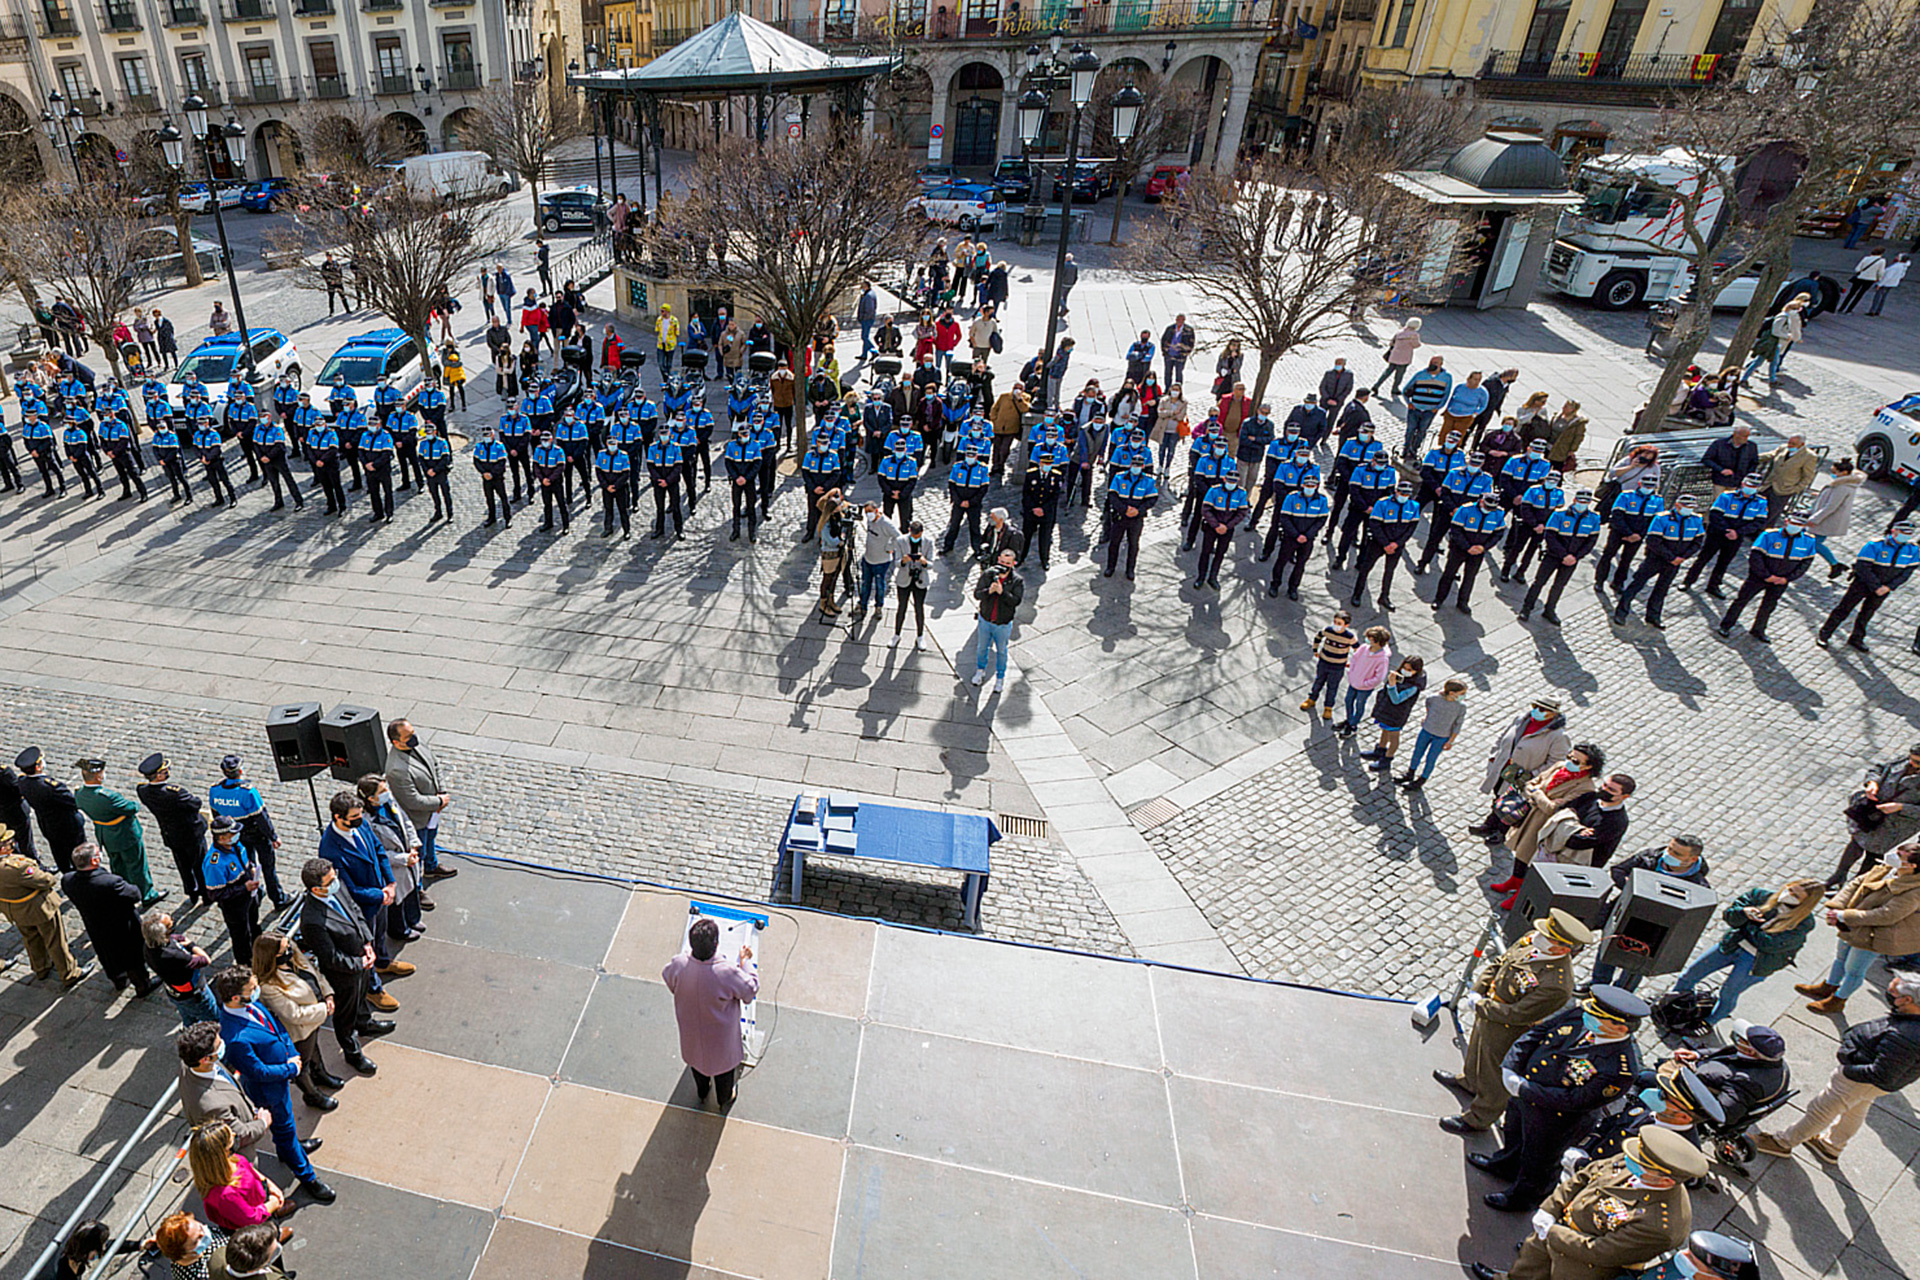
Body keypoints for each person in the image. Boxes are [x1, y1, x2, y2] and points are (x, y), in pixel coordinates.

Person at [1472, 986, 1650, 1212]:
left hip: (1556, 1119)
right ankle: (1505, 1165)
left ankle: (1523, 1199)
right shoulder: (1582, 1014)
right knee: (1514, 1134)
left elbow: (1576, 1100)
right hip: (1523, 1093)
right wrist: (1511, 1066)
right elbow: (1537, 1033)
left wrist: (1525, 1089)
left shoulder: (1620, 1067)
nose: (1589, 1018)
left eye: (1598, 1018)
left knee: (1539, 1162)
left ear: (1620, 1027)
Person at [1437, 908, 1592, 1135]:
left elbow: (1519, 1014)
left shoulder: (1556, 984)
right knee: (1476, 1051)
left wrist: (1481, 1005)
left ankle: (1479, 1118)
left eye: (1548, 937)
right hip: (1489, 1009)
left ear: (1563, 948)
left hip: (1506, 1029)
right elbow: (1501, 962)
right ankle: (1470, 1081)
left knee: (1494, 1075)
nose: (1540, 936)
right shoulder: (1533, 940)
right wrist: (1479, 989)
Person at [1756, 972, 1920, 1163]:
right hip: (1871, 1084)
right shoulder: (1910, 1023)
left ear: (1907, 1000)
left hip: (1860, 1078)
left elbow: (1882, 1073)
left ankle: (1782, 1143)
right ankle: (1832, 1146)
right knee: (1856, 1109)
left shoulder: (1906, 1036)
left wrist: (1847, 1071)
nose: (1888, 993)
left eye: (1892, 990)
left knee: (1822, 1109)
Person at [210, 965, 336, 1202]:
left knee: (285, 1131)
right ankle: (308, 1177)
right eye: (252, 988)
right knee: (286, 1129)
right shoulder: (234, 1036)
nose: (257, 990)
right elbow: (257, 1071)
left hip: (280, 1076)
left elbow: (277, 1028)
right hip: (269, 1092)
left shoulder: (252, 1005)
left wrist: (290, 1053)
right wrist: (292, 1068)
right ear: (236, 997)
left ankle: (287, 1148)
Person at [1795, 841, 1920, 1015]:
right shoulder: (1888, 869)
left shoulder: (1914, 891)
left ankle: (1838, 1000)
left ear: (1912, 866)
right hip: (1853, 925)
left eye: (1899, 856)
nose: (1892, 856)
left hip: (1873, 935)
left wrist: (1844, 916)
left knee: (1854, 970)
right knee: (1841, 958)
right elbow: (1858, 882)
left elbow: (1887, 915)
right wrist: (1837, 906)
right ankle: (1829, 985)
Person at [1670, 881, 1822, 1024]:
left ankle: (1710, 1021)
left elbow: (1768, 944)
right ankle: (1672, 1002)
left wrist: (1748, 924)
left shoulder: (1804, 923)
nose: (1788, 894)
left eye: (1795, 895)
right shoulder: (1760, 896)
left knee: (1728, 993)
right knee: (1690, 974)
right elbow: (1730, 916)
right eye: (1790, 889)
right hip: (1733, 944)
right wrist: (1743, 913)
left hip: (1757, 962)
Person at [296, 857, 388, 1075]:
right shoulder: (312, 920)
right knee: (345, 1015)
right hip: (344, 974)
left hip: (361, 959)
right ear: (316, 889)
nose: (336, 882)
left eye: (334, 876)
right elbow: (330, 957)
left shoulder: (336, 887)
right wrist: (360, 963)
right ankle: (352, 1051)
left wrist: (367, 941)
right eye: (330, 881)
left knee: (362, 995)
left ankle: (365, 1023)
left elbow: (355, 911)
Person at [317, 790, 412, 988]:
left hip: (381, 896)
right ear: (338, 817)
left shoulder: (361, 825)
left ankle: (383, 963)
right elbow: (348, 889)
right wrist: (381, 894)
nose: (360, 819)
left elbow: (378, 850)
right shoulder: (330, 849)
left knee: (380, 934)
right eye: (354, 817)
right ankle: (372, 987)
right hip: (362, 907)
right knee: (365, 947)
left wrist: (390, 883)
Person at [661, 916, 758, 1108]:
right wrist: (745, 962)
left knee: (697, 1066)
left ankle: (702, 1092)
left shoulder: (679, 964)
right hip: (721, 1041)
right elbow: (750, 990)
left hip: (691, 1037)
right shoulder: (726, 971)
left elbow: (669, 978)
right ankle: (725, 1098)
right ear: (716, 944)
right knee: (724, 1074)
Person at [1589, 833, 1706, 988]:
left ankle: (1621, 993)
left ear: (1692, 859)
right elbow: (1618, 871)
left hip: (1653, 931)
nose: (1669, 854)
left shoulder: (1698, 886)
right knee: (1607, 952)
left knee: (1636, 966)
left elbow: (1691, 917)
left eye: (1676, 853)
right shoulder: (1649, 857)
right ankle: (1597, 985)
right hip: (1627, 915)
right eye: (1670, 848)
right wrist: (1632, 890)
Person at [1489, 745, 1603, 893]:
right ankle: (1514, 882)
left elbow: (1551, 808)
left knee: (1527, 854)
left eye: (1575, 761)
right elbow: (1532, 783)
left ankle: (1520, 890)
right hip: (1529, 813)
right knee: (1520, 852)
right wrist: (1539, 794)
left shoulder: (1585, 788)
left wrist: (1537, 793)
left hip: (1542, 823)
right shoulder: (1560, 767)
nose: (1569, 762)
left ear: (1587, 766)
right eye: (1569, 757)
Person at [252, 930, 342, 1112]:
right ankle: (311, 1094)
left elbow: (316, 975)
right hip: (300, 1029)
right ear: (272, 956)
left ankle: (321, 1074)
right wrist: (324, 1009)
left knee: (314, 1048)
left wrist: (328, 994)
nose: (290, 951)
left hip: (314, 1019)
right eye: (285, 949)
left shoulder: (295, 959)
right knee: (302, 1063)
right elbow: (293, 1014)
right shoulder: (268, 985)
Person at [1472, 698, 1572, 845]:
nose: (1537, 710)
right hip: (1503, 771)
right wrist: (1494, 756)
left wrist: (1532, 775)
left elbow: (1557, 763)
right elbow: (1502, 738)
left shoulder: (1558, 736)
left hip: (1523, 779)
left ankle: (1501, 832)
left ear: (1553, 714)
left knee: (1513, 806)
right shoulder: (1521, 719)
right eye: (1535, 706)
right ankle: (1490, 824)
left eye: (1542, 709)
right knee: (1498, 797)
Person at [0, 823, 89, 984]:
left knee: (31, 938)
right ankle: (69, 973)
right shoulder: (17, 867)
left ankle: (41, 968)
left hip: (13, 909)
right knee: (55, 939)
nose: (12, 843)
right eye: (7, 842)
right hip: (37, 908)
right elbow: (46, 880)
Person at [62, 844, 154, 996]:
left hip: (95, 926)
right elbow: (135, 894)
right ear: (94, 861)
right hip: (122, 926)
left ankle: (118, 980)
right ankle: (142, 985)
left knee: (107, 955)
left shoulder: (68, 880)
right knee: (132, 957)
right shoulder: (110, 882)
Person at [1819, 519, 1919, 651]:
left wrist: (1888, 587)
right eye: (1903, 532)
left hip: (1884, 588)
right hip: (1863, 584)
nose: (1906, 535)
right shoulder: (1875, 545)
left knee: (1867, 613)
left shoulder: (1913, 550)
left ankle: (1857, 638)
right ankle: (1825, 634)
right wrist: (1876, 586)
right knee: (1844, 609)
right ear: (1894, 531)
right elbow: (1863, 567)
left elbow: (1906, 573)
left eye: (1909, 533)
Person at [1717, 512, 1816, 643]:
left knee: (1769, 606)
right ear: (1786, 521)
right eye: (1794, 523)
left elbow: (1805, 563)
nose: (1796, 526)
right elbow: (1756, 556)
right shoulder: (1769, 535)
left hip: (1782, 580)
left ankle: (1758, 629)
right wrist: (1766, 575)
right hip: (1759, 577)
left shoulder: (1808, 541)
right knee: (1741, 600)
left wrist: (1787, 579)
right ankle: (1726, 625)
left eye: (1800, 524)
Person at [1670, 1022, 1790, 1129]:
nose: (1737, 1038)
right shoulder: (1772, 1061)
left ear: (1751, 1051)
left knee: (1652, 1077)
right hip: (1702, 1069)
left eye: (1741, 1040)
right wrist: (1697, 1054)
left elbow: (1724, 1113)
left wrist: (1689, 1081)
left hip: (1693, 1088)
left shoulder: (1746, 1083)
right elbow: (1729, 1053)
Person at [73, 755, 157, 904]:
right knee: (137, 865)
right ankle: (147, 894)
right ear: (98, 776)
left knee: (117, 864)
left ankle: (122, 891)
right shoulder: (108, 797)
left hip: (105, 834)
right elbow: (132, 808)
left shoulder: (80, 794)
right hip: (124, 834)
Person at [190, 1122, 299, 1233]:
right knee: (265, 1232)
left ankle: (273, 1214)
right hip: (254, 1221)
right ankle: (276, 1235)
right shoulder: (226, 1196)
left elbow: (251, 1169)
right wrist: (273, 1203)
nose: (234, 1134)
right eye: (230, 1139)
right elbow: (252, 1219)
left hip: (260, 1201)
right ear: (223, 1153)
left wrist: (270, 1186)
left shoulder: (231, 1160)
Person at [385, 718, 455, 882]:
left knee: (431, 839)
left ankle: (431, 866)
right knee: (418, 854)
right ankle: (417, 887)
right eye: (408, 736)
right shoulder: (396, 769)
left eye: (413, 733)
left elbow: (434, 764)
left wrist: (441, 792)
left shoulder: (417, 744)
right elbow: (412, 801)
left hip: (432, 812)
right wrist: (438, 802)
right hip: (418, 819)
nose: (414, 738)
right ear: (396, 742)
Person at [1519, 487, 1601, 626]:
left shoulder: (1593, 518)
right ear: (1574, 500)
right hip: (1553, 555)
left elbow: (1591, 541)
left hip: (1573, 558)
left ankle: (1550, 610)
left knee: (1559, 585)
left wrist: (1576, 557)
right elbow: (1550, 536)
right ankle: (1527, 608)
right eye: (1581, 501)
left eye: (1586, 502)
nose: (1583, 504)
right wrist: (1563, 555)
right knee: (1539, 582)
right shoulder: (1559, 515)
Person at [14, 744, 87, 873]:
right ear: (38, 767)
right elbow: (73, 802)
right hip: (67, 825)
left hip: (47, 824)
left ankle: (66, 872)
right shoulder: (51, 787)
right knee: (78, 851)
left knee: (58, 850)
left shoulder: (22, 782)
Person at [144, 907, 217, 1026]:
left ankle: (189, 1029)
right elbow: (205, 959)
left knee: (188, 1018)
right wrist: (190, 944)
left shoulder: (149, 946)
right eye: (169, 925)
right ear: (164, 934)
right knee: (213, 1018)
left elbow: (175, 938)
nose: (173, 921)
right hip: (193, 995)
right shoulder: (174, 956)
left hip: (175, 992)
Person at [1359, 655, 1425, 774]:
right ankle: (1380, 749)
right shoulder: (1401, 677)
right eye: (1405, 668)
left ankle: (1387, 758)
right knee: (1384, 731)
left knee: (1394, 737)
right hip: (1386, 711)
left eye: (1409, 670)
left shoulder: (1414, 687)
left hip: (1397, 715)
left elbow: (1397, 699)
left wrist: (1392, 685)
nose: (1406, 671)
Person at [970, 548, 1023, 693]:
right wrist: (989, 591)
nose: (1004, 566)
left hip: (1003, 624)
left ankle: (1000, 678)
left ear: (1013, 564)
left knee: (1001, 651)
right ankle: (980, 671)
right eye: (1002, 562)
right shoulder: (988, 574)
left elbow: (1016, 601)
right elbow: (977, 594)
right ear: (998, 560)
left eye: (1008, 563)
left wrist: (1003, 593)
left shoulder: (1017, 581)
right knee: (982, 647)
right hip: (986, 620)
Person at [1802, 456, 1863, 577]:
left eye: (1835, 472)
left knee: (1814, 543)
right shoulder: (1843, 483)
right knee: (1811, 541)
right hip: (1823, 518)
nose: (1833, 474)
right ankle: (1833, 564)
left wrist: (1814, 519)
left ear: (1844, 473)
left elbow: (1831, 506)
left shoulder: (1842, 486)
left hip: (1825, 520)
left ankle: (1834, 564)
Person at [1301, 608, 1358, 724]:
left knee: (1332, 687)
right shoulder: (1328, 630)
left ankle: (1328, 707)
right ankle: (1312, 699)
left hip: (1338, 666)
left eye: (1339, 623)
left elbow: (1358, 650)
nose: (1336, 625)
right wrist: (1315, 649)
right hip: (1324, 662)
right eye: (1335, 622)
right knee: (1318, 681)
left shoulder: (1349, 637)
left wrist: (1353, 662)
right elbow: (1318, 637)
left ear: (1346, 625)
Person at [1337, 627, 1392, 738]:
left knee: (1359, 705)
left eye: (1370, 639)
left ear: (1377, 642)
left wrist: (1365, 684)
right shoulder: (1363, 648)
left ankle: (1353, 725)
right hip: (1354, 682)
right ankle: (1349, 720)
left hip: (1364, 687)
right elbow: (1354, 659)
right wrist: (1351, 674)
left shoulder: (1382, 658)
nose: (1367, 640)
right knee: (1348, 700)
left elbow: (1379, 677)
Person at [1742, 296, 1806, 388]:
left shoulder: (1787, 317)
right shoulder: (1783, 317)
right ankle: (1745, 379)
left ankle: (1772, 380)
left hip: (1775, 343)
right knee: (1759, 362)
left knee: (1772, 362)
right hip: (1772, 343)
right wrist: (1787, 336)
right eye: (1797, 309)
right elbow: (1775, 331)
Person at [1399, 357, 1452, 457]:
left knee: (1422, 431)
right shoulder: (1420, 375)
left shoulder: (1446, 377)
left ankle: (1414, 449)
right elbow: (1405, 389)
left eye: (1435, 362)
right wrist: (1409, 403)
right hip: (1415, 408)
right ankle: (1406, 449)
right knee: (1410, 429)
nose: (1432, 364)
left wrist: (1438, 407)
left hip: (1430, 410)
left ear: (1441, 364)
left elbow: (1446, 394)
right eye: (1431, 362)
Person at [1759, 434, 1818, 523]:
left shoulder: (1809, 456)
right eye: (1789, 442)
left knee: (1771, 515)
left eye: (1793, 444)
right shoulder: (1783, 448)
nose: (1789, 445)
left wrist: (1795, 489)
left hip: (1784, 489)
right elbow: (1771, 455)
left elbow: (1808, 476)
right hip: (1768, 485)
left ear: (1801, 445)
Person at [1371, 317, 1422, 396]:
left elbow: (1391, 343)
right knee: (1399, 375)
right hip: (1404, 357)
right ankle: (1395, 389)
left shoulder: (1399, 332)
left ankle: (1376, 385)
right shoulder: (1414, 335)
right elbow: (1416, 345)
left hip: (1394, 356)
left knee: (1387, 372)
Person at [1839, 246, 1887, 312]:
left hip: (1860, 277)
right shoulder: (1882, 261)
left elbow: (1857, 269)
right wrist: (1879, 278)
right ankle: (1849, 309)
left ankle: (1842, 307)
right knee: (1860, 294)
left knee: (1851, 293)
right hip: (1870, 279)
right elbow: (1881, 272)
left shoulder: (1866, 258)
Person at [1867, 250, 1909, 315]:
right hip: (1892, 283)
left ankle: (1873, 310)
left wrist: (1880, 284)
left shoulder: (1895, 266)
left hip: (1886, 283)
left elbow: (1887, 276)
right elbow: (1901, 276)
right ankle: (1878, 310)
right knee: (1883, 297)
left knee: (1878, 297)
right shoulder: (1903, 266)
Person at [1161, 314, 1195, 388]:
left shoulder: (1188, 330)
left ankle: (1178, 388)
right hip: (1169, 354)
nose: (1179, 321)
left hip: (1180, 356)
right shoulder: (1170, 328)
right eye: (1178, 320)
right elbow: (1163, 339)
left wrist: (1186, 352)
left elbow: (1191, 342)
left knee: (1179, 372)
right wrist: (1164, 351)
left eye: (1181, 320)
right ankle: (1167, 388)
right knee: (1167, 372)